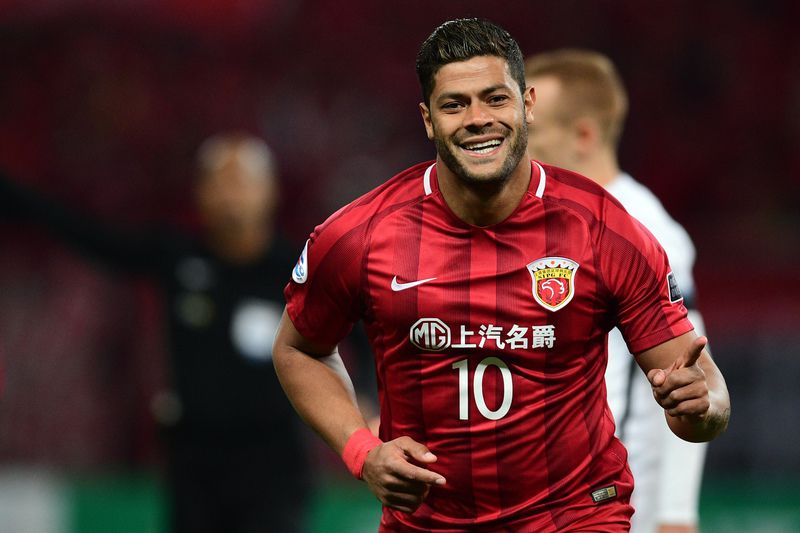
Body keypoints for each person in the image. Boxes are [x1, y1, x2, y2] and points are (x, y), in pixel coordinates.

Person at [273, 18, 730, 533]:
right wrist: (361, 449)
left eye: (495, 99)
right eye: (454, 105)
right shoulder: (361, 234)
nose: (477, 119)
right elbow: (297, 349)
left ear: (527, 104)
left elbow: (702, 389)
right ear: (427, 119)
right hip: (428, 524)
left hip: (576, 517)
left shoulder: (607, 230)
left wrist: (700, 406)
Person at [0, 133, 310, 533]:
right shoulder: (178, 257)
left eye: (243, 181)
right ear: (200, 192)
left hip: (273, 465)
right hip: (194, 463)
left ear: (270, 192)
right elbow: (90, 235)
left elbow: (358, 329)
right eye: (220, 180)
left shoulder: (301, 269)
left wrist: (369, 402)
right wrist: (16, 197)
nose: (231, 193)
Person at [525, 49, 708, 533]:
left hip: (615, 505)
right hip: (541, 499)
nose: (517, 148)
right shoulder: (541, 220)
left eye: (533, 133)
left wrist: (676, 513)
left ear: (584, 135)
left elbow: (691, 372)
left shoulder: (645, 230)